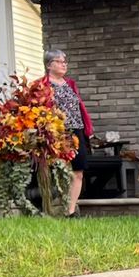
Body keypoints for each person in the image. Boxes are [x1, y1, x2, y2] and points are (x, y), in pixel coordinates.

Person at [44, 49, 92, 216]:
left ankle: (70, 212)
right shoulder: (43, 85)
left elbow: (80, 108)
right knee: (58, 170)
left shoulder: (70, 83)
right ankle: (53, 209)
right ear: (49, 65)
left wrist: (87, 128)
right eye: (59, 61)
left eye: (65, 61)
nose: (64, 64)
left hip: (76, 131)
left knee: (78, 171)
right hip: (56, 133)